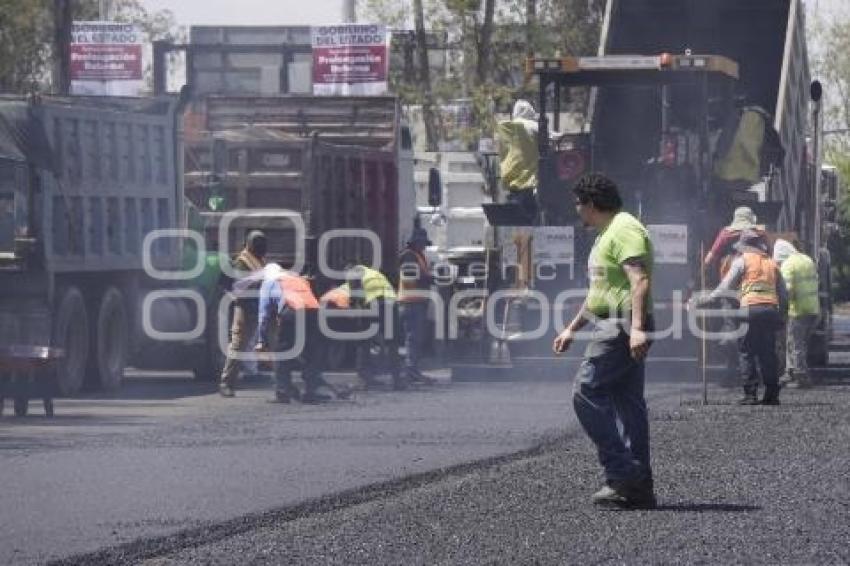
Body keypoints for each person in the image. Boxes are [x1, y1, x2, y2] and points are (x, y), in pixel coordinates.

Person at [552, 173, 656, 509]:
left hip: (622, 324)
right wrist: (572, 328)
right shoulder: (605, 235)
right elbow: (600, 293)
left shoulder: (624, 229)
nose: (578, 211)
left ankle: (621, 473)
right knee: (629, 405)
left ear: (592, 204)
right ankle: (639, 486)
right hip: (615, 320)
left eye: (579, 205)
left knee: (587, 390)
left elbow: (638, 281)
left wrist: (637, 328)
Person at [699, 230, 788, 405]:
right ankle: (772, 394)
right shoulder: (772, 264)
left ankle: (751, 394)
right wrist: (782, 314)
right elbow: (784, 294)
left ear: (745, 247)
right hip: (770, 311)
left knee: (747, 352)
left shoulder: (742, 261)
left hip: (750, 310)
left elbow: (725, 286)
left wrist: (708, 299)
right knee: (768, 354)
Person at [255, 264, 337, 404]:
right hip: (313, 314)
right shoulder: (297, 278)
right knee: (312, 353)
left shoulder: (268, 283)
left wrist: (261, 339)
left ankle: (283, 392)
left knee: (282, 353)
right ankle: (311, 392)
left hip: (292, 313)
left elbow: (264, 314)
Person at [321, 265, 404, 390]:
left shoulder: (353, 273)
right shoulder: (373, 273)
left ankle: (365, 378)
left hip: (373, 305)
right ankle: (397, 379)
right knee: (392, 343)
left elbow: (356, 293)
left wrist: (356, 313)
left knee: (363, 342)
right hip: (390, 304)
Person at [219, 230, 266, 397]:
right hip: (244, 307)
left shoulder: (258, 260)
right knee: (238, 344)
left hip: (256, 306)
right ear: (249, 244)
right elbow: (239, 286)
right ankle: (226, 382)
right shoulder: (243, 262)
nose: (261, 246)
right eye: (257, 243)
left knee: (250, 343)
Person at [773, 239, 820, 389]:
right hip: (813, 308)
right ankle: (790, 371)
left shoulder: (788, 265)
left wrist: (780, 308)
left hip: (798, 309)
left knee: (795, 343)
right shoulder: (807, 259)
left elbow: (787, 291)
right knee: (799, 342)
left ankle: (800, 376)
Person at [398, 228, 436, 385]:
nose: (424, 246)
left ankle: (411, 370)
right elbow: (410, 276)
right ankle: (410, 371)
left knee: (415, 337)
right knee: (413, 338)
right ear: (415, 242)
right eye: (422, 243)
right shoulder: (409, 256)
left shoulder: (417, 256)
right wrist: (429, 278)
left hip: (416, 302)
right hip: (411, 302)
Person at [703, 206, 765, 279]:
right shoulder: (760, 233)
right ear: (751, 219)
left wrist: (704, 266)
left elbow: (712, 254)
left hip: (730, 273)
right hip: (756, 272)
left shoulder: (726, 233)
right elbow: (770, 253)